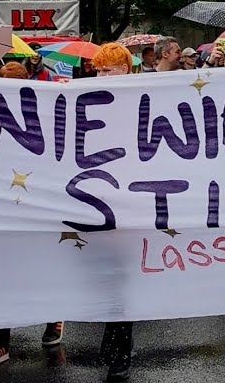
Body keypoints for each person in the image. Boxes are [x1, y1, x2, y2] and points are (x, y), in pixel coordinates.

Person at [0, 61, 67, 369]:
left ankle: (53, 318)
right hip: (2, 207)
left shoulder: (43, 113)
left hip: (38, 207)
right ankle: (0, 346)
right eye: (4, 83)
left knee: (41, 269)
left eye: (15, 84)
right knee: (1, 275)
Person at [89, 43, 137, 382]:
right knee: (103, 278)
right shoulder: (86, 101)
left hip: (133, 204)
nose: (102, 76)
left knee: (122, 280)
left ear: (126, 69)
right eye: (99, 71)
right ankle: (112, 342)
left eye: (109, 70)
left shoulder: (144, 100)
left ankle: (120, 352)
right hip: (96, 202)